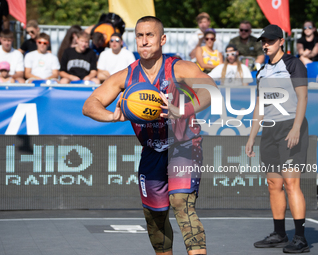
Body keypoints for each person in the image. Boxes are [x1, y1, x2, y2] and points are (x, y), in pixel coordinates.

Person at [83, 16, 217, 255]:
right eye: (140, 36)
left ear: (162, 39)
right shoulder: (127, 75)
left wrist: (182, 110)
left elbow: (211, 90)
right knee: (155, 218)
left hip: (183, 146)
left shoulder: (179, 67)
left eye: (150, 35)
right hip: (152, 151)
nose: (144, 41)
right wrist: (112, 117)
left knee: (181, 203)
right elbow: (90, 104)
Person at [245, 24, 310, 253]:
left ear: (281, 41)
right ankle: (280, 234)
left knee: (292, 183)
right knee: (274, 184)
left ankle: (300, 238)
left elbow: (303, 98)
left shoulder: (293, 64)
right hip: (270, 131)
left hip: (292, 128)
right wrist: (252, 136)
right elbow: (260, 107)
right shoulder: (262, 71)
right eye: (263, 40)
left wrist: (295, 128)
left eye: (270, 41)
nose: (266, 44)